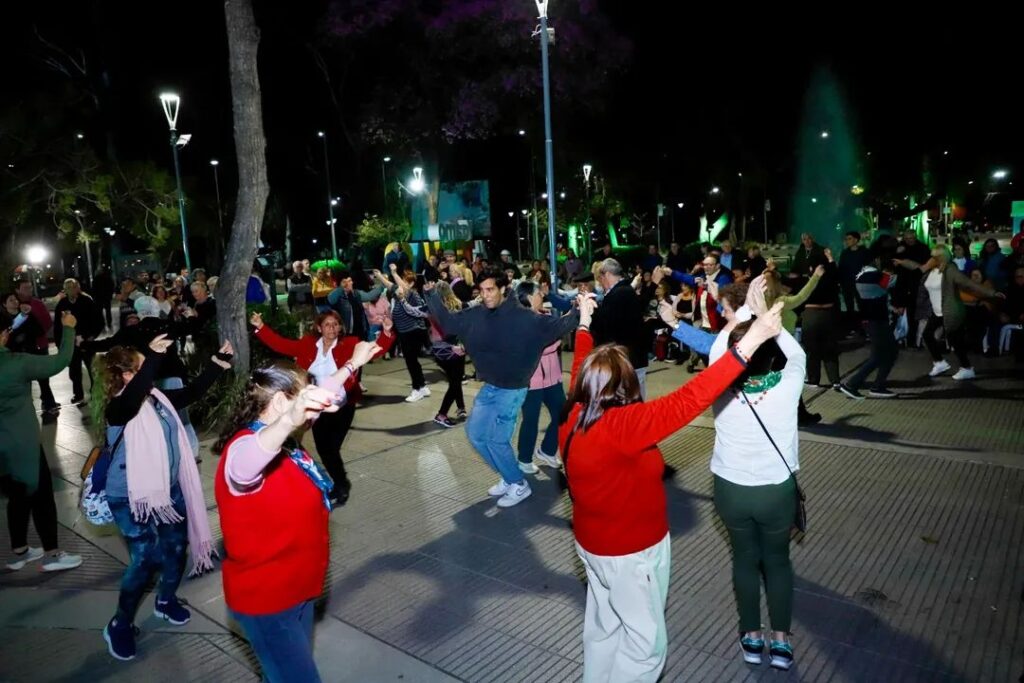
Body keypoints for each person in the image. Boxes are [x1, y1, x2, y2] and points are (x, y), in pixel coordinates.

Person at [561, 295, 784, 682]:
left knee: (604, 626)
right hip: (631, 553)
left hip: (592, 547)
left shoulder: (574, 413)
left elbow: (581, 363)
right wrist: (751, 341)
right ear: (625, 385)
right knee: (645, 648)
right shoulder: (623, 427)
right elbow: (692, 397)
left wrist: (584, 322)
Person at [214, 343, 380, 683]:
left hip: (298, 588)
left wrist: (352, 364)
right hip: (267, 600)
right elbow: (244, 470)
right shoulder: (245, 449)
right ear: (278, 403)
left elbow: (323, 396)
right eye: (302, 397)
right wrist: (291, 417)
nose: (311, 404)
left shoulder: (285, 438)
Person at [98, 335, 230, 661]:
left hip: (167, 489)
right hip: (130, 497)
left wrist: (217, 363)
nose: (150, 372)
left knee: (175, 547)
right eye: (143, 367)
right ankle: (120, 623)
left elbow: (191, 393)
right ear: (127, 375)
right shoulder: (118, 406)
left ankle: (166, 599)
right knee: (143, 561)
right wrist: (153, 358)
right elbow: (129, 403)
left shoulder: (156, 398)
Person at [707, 281, 803, 672]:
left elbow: (721, 347)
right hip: (775, 491)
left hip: (730, 490)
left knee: (744, 560)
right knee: (777, 562)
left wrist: (747, 316)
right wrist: (765, 318)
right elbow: (795, 350)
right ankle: (781, 642)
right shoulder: (789, 384)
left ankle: (750, 636)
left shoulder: (716, 386)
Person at [424, 267, 578, 508]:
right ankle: (510, 477)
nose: (486, 295)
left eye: (491, 289)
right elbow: (448, 323)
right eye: (482, 290)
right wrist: (432, 294)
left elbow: (559, 326)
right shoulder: (476, 314)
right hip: (491, 387)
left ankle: (518, 483)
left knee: (497, 440)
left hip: (513, 389)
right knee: (475, 435)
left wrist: (580, 310)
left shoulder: (525, 317)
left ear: (503, 289)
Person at [250, 310, 394, 505]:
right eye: (327, 324)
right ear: (319, 327)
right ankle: (341, 483)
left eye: (336, 324)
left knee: (331, 448)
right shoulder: (308, 344)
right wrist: (261, 327)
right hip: (316, 409)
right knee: (324, 448)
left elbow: (374, 350)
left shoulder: (349, 344)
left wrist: (386, 333)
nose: (332, 329)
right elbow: (281, 345)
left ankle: (340, 483)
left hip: (342, 407)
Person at [1, 311, 84, 573]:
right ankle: (52, 554)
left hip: (2, 448)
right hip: (23, 443)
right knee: (42, 496)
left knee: (16, 497)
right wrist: (68, 329)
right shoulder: (16, 363)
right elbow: (59, 361)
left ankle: (19, 553)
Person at [897, 246, 1004, 380]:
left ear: (941, 258)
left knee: (955, 341)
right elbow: (915, 266)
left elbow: (969, 284)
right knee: (927, 335)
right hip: (937, 312)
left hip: (951, 311)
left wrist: (992, 293)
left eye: (934, 257)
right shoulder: (931, 269)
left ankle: (967, 368)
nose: (931, 259)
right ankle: (940, 363)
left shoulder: (950, 270)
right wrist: (902, 262)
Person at [837, 237, 900, 399]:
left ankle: (878, 386)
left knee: (889, 352)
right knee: (881, 355)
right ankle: (852, 384)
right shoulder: (874, 276)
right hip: (877, 320)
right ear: (877, 260)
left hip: (872, 319)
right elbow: (893, 282)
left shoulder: (862, 275)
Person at [513, 281, 566, 473]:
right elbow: (537, 347)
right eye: (538, 293)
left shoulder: (545, 315)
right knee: (530, 420)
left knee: (563, 414)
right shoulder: (520, 321)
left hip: (553, 377)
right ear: (528, 297)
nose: (541, 296)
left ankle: (547, 450)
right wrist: (557, 337)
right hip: (532, 380)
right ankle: (524, 459)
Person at [590, 259, 650, 397]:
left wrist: (591, 312)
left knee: (631, 404)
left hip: (626, 360)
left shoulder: (617, 294)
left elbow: (606, 327)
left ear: (608, 274)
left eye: (600, 277)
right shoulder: (625, 290)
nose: (600, 281)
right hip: (633, 357)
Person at [53, 278, 104, 404]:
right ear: (65, 290)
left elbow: (98, 320)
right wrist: (61, 345)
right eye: (68, 287)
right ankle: (78, 395)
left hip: (87, 341)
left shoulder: (87, 301)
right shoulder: (62, 304)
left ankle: (96, 393)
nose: (72, 289)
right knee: (74, 371)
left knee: (93, 369)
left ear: (78, 287)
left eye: (74, 286)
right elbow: (57, 327)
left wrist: (92, 336)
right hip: (71, 343)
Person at [386, 266, 432, 402]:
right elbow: (391, 286)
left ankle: (417, 389)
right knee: (413, 361)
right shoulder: (400, 295)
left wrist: (394, 272)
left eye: (404, 281)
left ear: (411, 283)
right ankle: (422, 386)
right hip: (405, 332)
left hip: (412, 332)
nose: (401, 284)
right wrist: (380, 276)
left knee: (411, 362)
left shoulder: (412, 294)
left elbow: (400, 286)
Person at [796, 248, 841, 388]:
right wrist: (830, 258)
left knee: (812, 349)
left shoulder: (809, 278)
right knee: (830, 349)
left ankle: (813, 379)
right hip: (828, 314)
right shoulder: (831, 275)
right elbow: (835, 270)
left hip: (811, 313)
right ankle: (835, 381)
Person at [426, 281, 468, 427]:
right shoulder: (457, 306)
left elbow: (412, 310)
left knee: (454, 381)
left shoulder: (432, 308)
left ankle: (461, 407)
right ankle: (441, 414)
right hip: (454, 350)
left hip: (438, 351)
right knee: (455, 382)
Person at [13, 279, 59, 413]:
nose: (29, 290)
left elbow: (47, 322)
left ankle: (48, 401)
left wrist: (38, 333)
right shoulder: (15, 305)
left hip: (40, 345)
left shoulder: (37, 304)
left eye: (30, 288)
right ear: (17, 290)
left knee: (44, 376)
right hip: (23, 349)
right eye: (26, 288)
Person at [838, 231, 872, 333]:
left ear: (856, 240)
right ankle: (851, 327)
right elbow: (841, 268)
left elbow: (868, 266)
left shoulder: (864, 252)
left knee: (862, 305)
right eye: (846, 239)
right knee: (849, 305)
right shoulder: (845, 253)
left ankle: (863, 328)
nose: (847, 241)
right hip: (847, 283)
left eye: (849, 238)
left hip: (860, 283)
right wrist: (840, 281)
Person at [93, 265, 116, 330]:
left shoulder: (96, 278)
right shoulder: (108, 278)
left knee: (100, 311)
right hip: (106, 297)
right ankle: (109, 323)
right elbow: (111, 286)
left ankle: (102, 324)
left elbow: (94, 288)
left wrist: (94, 296)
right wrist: (110, 294)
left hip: (98, 297)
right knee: (108, 311)